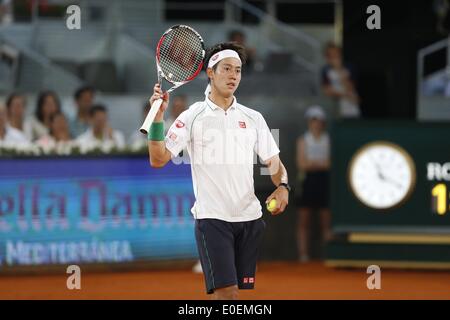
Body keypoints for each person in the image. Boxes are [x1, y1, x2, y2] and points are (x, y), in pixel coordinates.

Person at [147, 42, 289, 300]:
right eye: (226, 69)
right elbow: (158, 159)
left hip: (250, 219)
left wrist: (283, 186)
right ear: (210, 72)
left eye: (238, 70)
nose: (233, 75)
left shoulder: (254, 118)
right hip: (213, 220)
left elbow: (274, 163)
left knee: (225, 294)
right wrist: (157, 118)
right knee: (228, 294)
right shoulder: (192, 116)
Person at [295, 106, 332, 263]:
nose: (316, 124)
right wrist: (320, 164)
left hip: (324, 182)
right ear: (309, 122)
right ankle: (303, 255)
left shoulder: (329, 140)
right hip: (308, 182)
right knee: (304, 221)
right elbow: (302, 164)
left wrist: (313, 164)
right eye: (313, 120)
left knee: (326, 221)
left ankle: (329, 255)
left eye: (318, 121)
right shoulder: (303, 140)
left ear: (323, 123)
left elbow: (331, 164)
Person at [321, 42, 360, 118]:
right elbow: (326, 91)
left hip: (350, 108)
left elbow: (351, 88)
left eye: (336, 54)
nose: (335, 57)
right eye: (331, 55)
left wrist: (339, 70)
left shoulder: (349, 67)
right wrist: (345, 95)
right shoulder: (325, 70)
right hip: (333, 107)